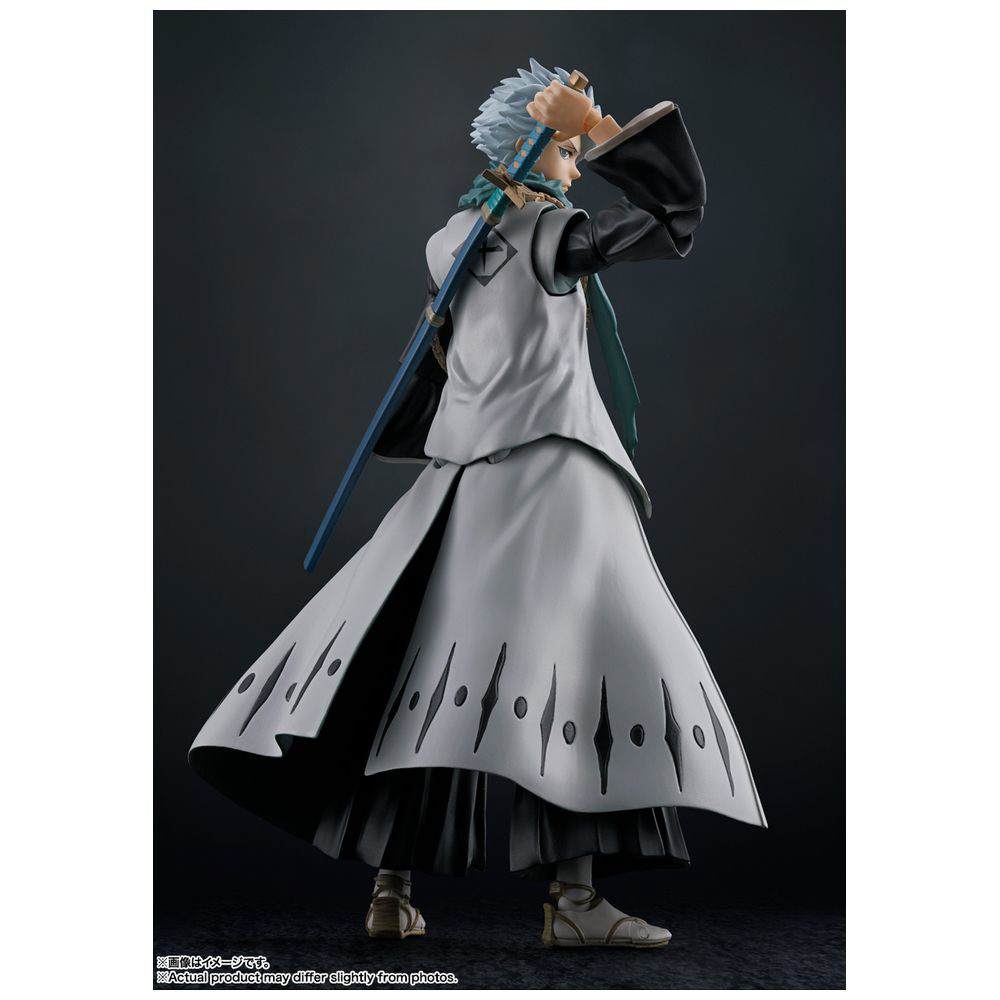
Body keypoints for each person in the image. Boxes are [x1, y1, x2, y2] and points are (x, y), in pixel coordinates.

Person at [189, 59, 766, 949]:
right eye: (567, 151)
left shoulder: (453, 238)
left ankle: (391, 889)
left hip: (458, 483)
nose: (576, 166)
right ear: (538, 151)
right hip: (550, 476)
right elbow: (671, 217)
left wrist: (578, 133)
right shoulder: (550, 234)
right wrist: (605, 131)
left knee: (420, 671)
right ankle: (574, 901)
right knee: (580, 661)